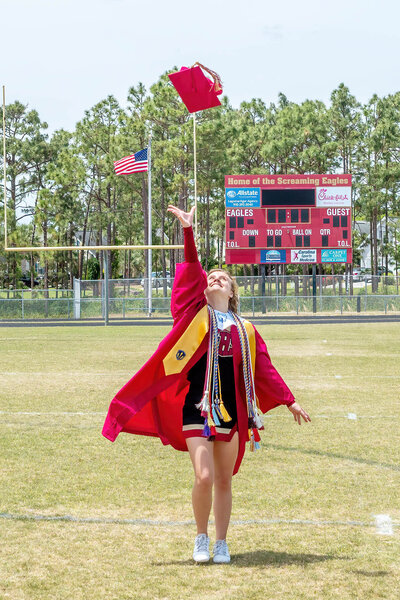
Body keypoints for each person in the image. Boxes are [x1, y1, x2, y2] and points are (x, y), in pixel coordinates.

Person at [102, 204, 310, 565]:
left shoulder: (245, 330)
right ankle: (200, 538)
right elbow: (190, 276)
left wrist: (289, 400)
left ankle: (221, 543)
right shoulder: (192, 316)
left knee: (225, 481)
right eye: (210, 277)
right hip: (197, 407)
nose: (214, 279)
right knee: (204, 475)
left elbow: (265, 370)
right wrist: (188, 232)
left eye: (223, 278)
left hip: (232, 410)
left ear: (232, 292)